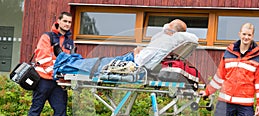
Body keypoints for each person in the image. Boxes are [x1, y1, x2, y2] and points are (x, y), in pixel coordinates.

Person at [53, 19, 198, 76]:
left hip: (131, 63)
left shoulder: (166, 40)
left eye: (169, 25)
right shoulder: (171, 43)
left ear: (172, 29)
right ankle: (67, 58)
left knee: (95, 65)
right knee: (95, 63)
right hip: (135, 63)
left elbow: (142, 61)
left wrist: (137, 51)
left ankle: (62, 60)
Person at [24, 11, 75, 116]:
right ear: (59, 21)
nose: (67, 24)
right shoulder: (47, 37)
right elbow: (43, 58)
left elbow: (68, 61)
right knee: (37, 108)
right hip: (43, 80)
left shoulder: (70, 42)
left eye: (69, 22)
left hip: (58, 83)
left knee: (60, 110)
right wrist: (56, 70)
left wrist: (65, 79)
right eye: (65, 21)